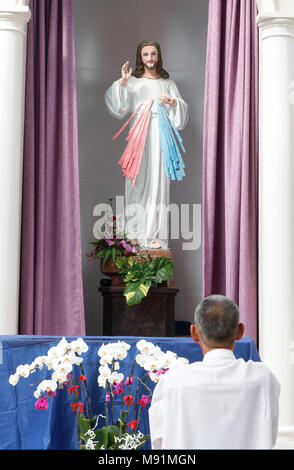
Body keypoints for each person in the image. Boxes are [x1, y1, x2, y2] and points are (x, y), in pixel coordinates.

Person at [148, 294, 281, 449]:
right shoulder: (263, 378)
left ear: (194, 333)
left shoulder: (172, 382)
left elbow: (159, 441)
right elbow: (269, 435)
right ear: (240, 331)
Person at [104, 40, 189, 249]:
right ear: (140, 58)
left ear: (158, 56)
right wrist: (122, 83)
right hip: (139, 136)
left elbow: (181, 112)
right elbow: (118, 106)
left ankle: (154, 236)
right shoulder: (134, 81)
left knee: (158, 182)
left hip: (161, 135)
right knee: (137, 182)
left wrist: (173, 102)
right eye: (145, 54)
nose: (150, 58)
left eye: (153, 54)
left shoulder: (168, 84)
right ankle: (134, 234)